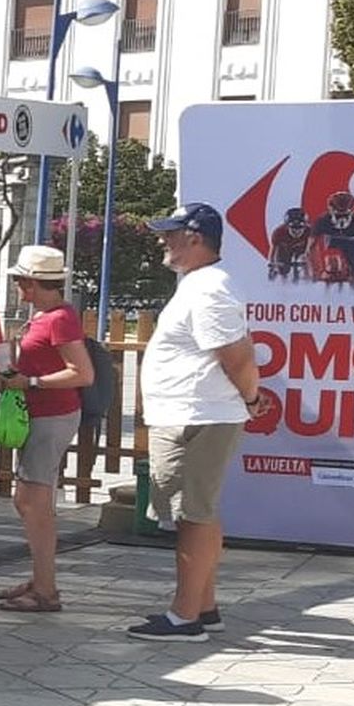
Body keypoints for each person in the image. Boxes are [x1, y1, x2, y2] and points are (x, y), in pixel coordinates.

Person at [128, 204, 270, 642]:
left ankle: (184, 617)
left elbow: (236, 355)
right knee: (194, 513)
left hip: (200, 415)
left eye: (170, 234)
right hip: (193, 413)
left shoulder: (209, 290)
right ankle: (203, 608)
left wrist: (250, 398)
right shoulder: (200, 285)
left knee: (195, 515)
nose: (162, 241)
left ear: (194, 237)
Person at [0, 245, 94, 614]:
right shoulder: (47, 316)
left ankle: (46, 588)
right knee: (31, 500)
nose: (17, 286)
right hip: (43, 413)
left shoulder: (58, 319)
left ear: (32, 282)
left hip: (50, 415)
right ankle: (40, 578)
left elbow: (82, 373)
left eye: (19, 280)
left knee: (34, 502)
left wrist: (31, 382)